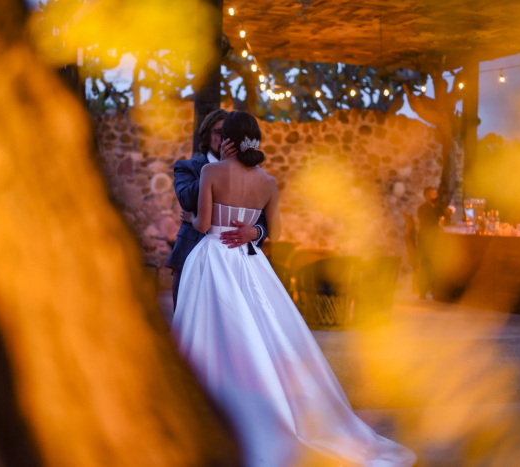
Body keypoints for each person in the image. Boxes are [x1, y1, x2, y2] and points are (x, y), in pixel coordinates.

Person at [170, 111, 416, 467]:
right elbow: (278, 231)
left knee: (207, 334)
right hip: (249, 263)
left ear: (229, 140)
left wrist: (193, 220)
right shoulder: (267, 181)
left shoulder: (211, 173)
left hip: (212, 259)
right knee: (262, 334)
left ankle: (211, 409)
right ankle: (268, 404)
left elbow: (205, 223)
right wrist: (253, 230)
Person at [165, 109, 268, 308]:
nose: (224, 139)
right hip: (191, 253)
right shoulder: (187, 167)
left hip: (236, 261)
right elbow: (186, 201)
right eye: (219, 132)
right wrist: (220, 168)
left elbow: (264, 217)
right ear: (206, 135)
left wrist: (256, 232)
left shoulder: (252, 173)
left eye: (228, 134)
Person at [417, 187, 445, 299]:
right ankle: (422, 292)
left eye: (436, 194)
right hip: (425, 241)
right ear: (427, 196)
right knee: (425, 266)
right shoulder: (422, 209)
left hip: (435, 241)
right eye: (433, 195)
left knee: (435, 265)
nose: (436, 196)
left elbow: (444, 219)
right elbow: (429, 223)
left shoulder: (438, 208)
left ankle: (435, 291)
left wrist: (447, 214)